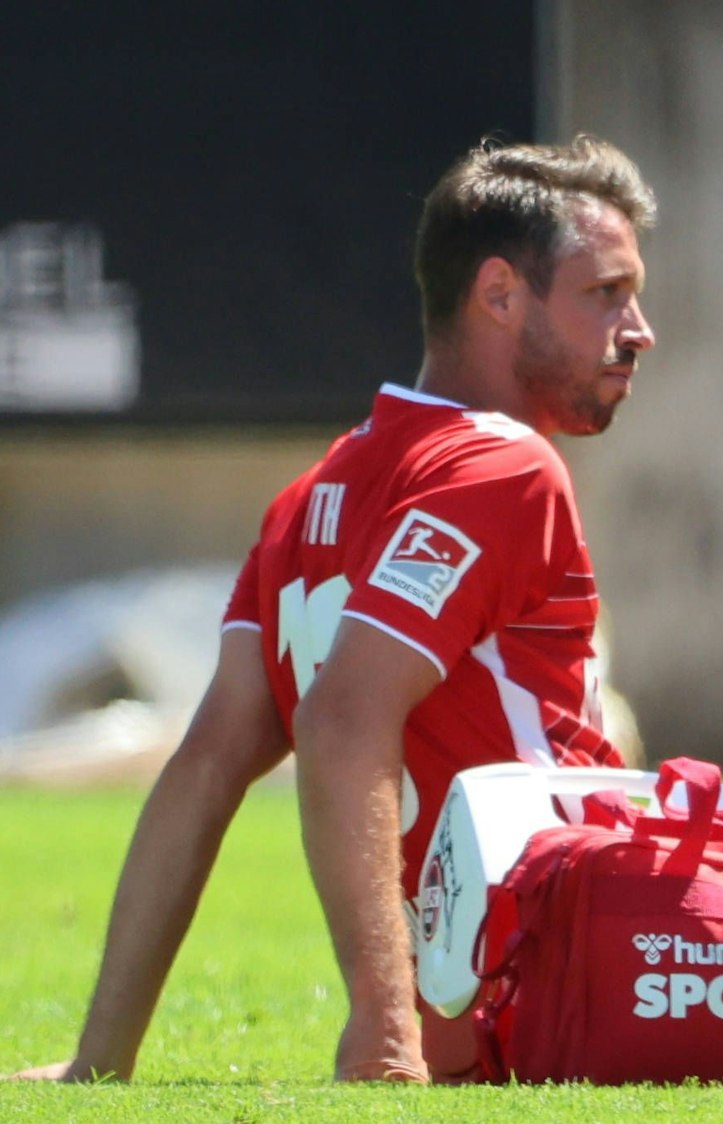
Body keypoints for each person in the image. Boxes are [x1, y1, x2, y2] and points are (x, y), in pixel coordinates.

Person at [8, 135, 658, 1084]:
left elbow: (203, 770)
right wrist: (384, 1030)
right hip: (576, 991)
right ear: (500, 295)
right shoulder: (505, 466)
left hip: (489, 1013)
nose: (638, 327)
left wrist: (97, 1064)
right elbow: (347, 717)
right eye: (606, 292)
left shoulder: (311, 496)